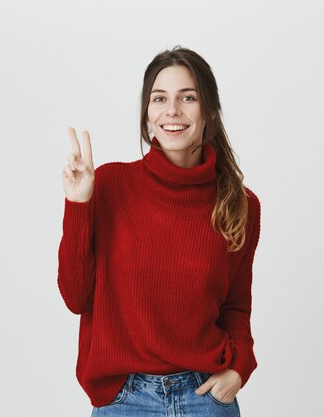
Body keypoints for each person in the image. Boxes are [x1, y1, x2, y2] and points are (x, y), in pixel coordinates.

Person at [57, 45, 261, 417]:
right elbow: (75, 297)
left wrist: (239, 367)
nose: (172, 110)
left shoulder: (240, 204)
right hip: (125, 400)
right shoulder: (109, 185)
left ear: (210, 111)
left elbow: (235, 305)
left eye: (188, 97)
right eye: (159, 98)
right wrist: (79, 205)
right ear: (147, 114)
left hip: (206, 396)